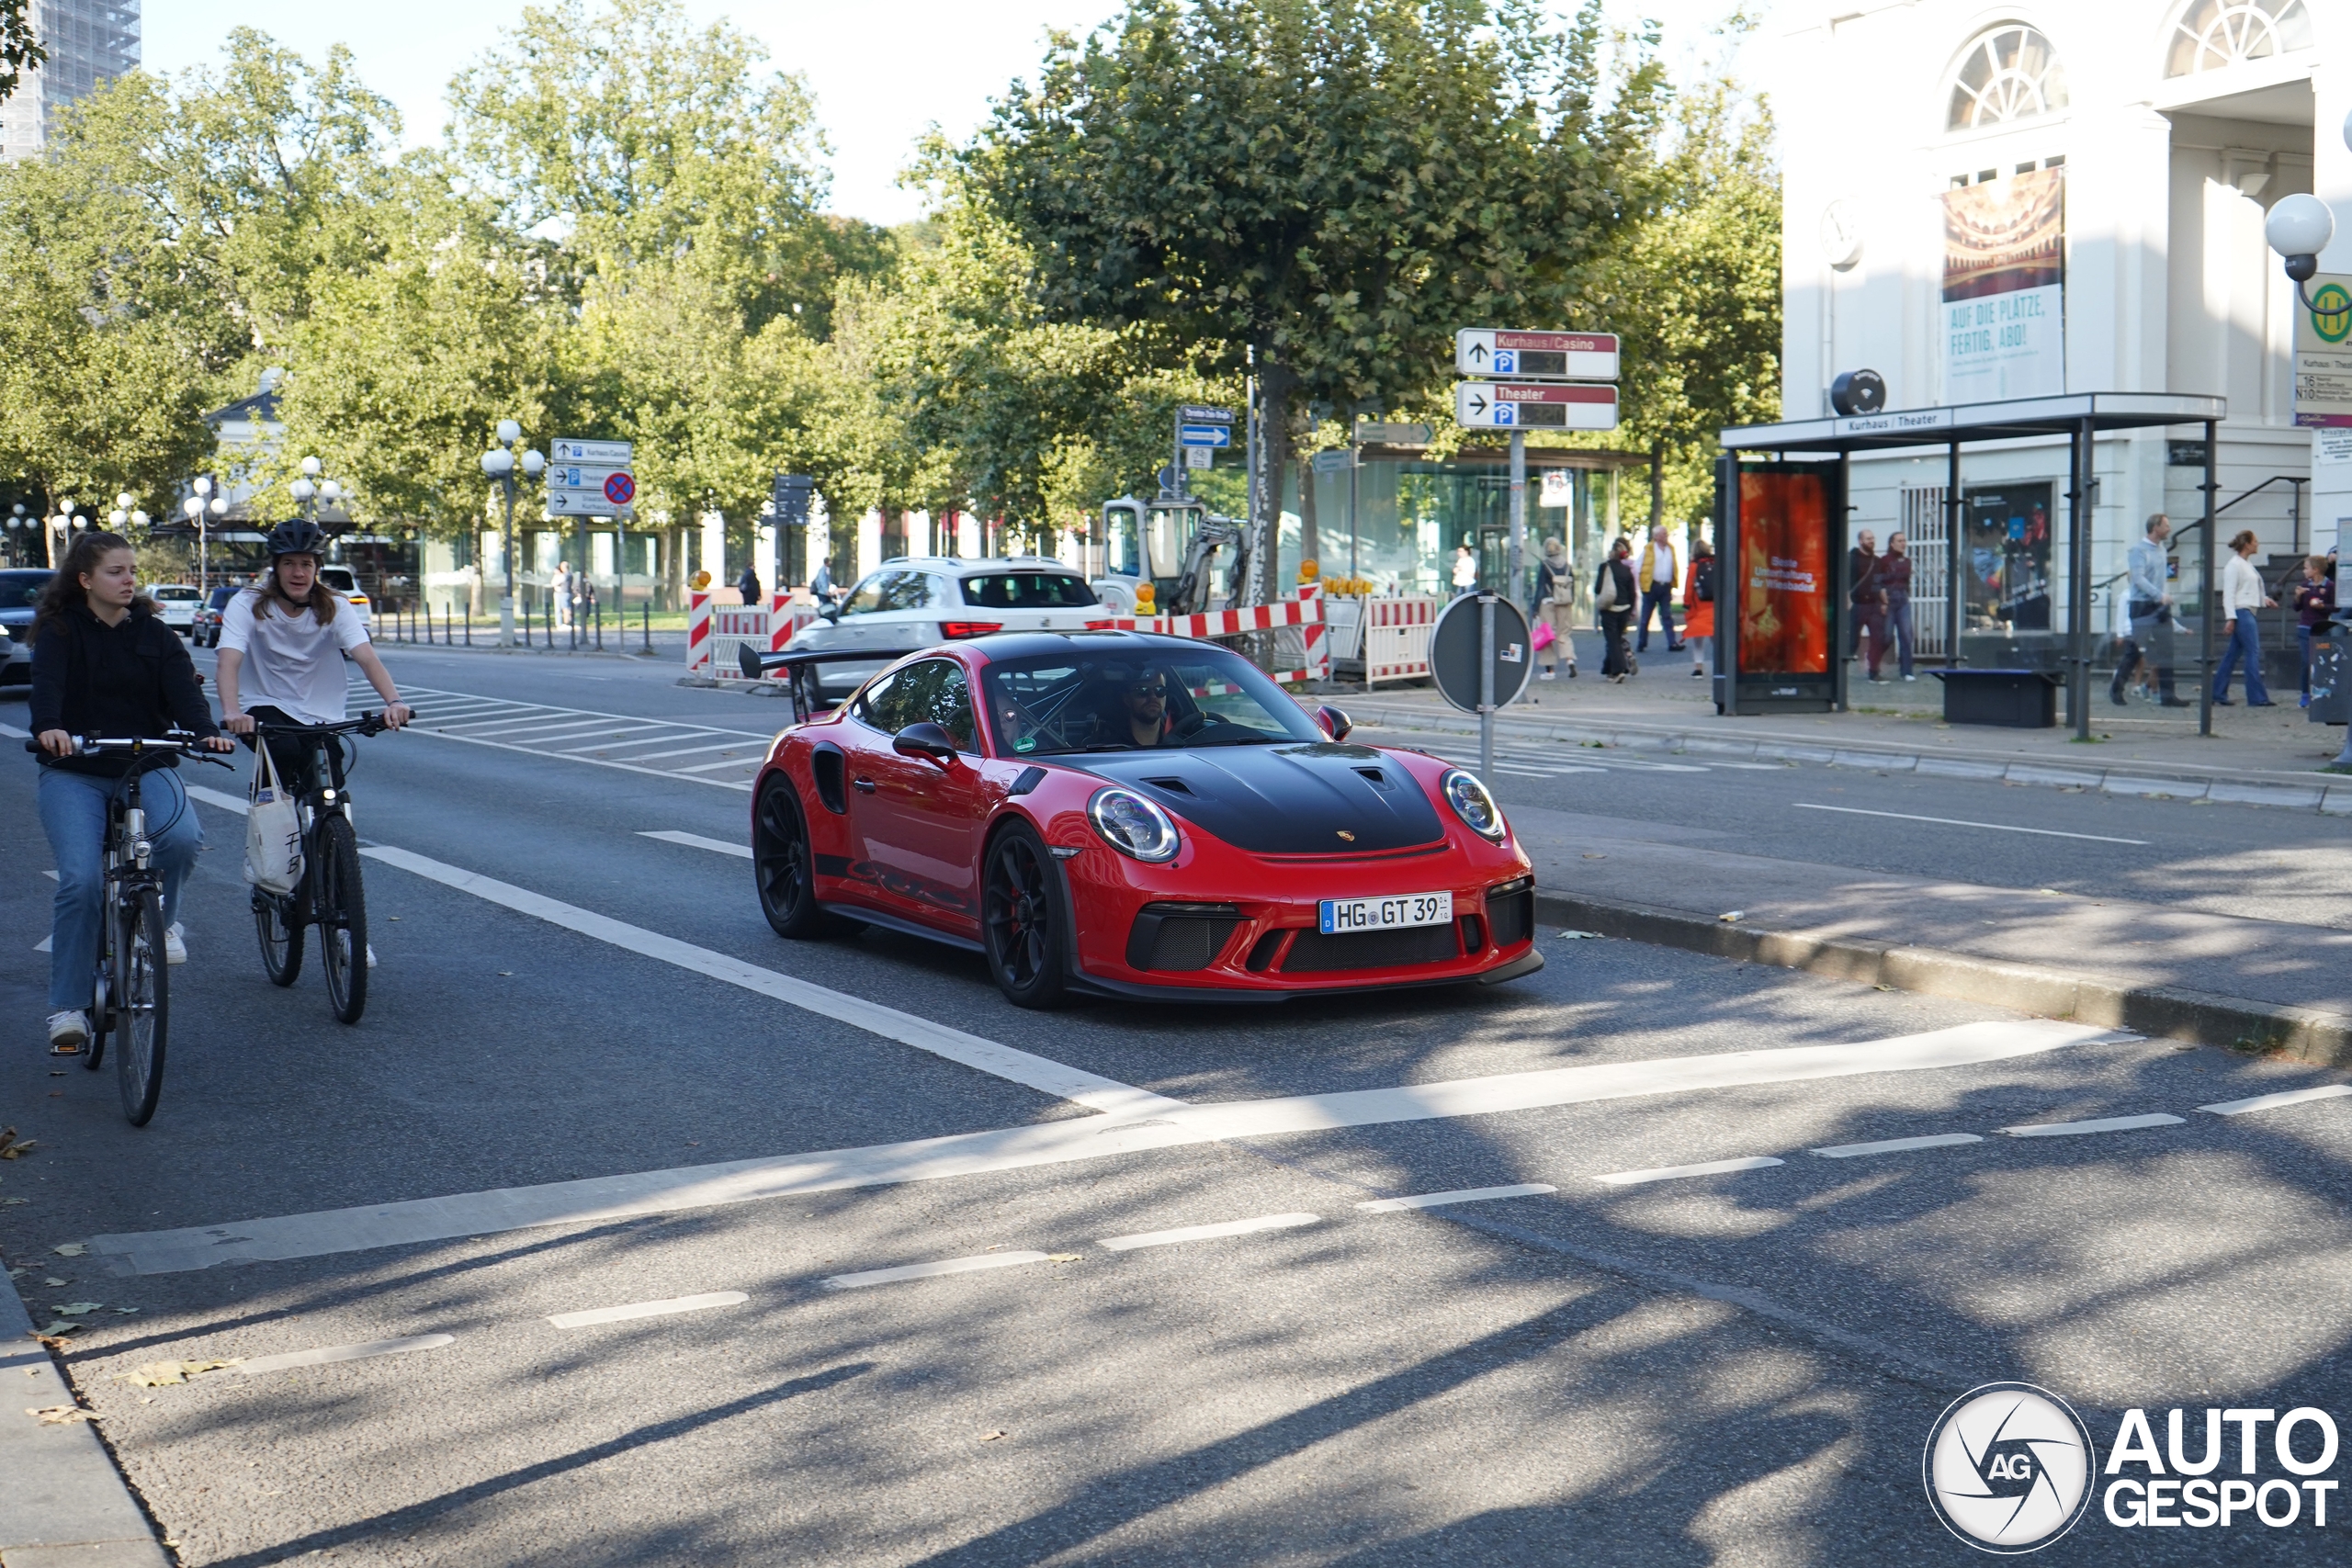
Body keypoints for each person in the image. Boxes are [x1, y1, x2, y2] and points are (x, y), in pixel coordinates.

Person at [30, 531, 236, 1053]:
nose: (128, 580)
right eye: (115, 572)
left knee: (184, 840)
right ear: (85, 579)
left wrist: (203, 728)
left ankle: (155, 926)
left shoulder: (156, 634)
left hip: (148, 765)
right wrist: (50, 727)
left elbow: (185, 694)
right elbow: (46, 686)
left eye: (132, 571)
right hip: (75, 770)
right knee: (79, 881)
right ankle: (68, 1006)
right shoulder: (60, 631)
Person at [216, 521, 413, 799]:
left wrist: (394, 701)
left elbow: (367, 658)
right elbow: (228, 661)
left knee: (328, 776)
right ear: (275, 567)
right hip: (264, 704)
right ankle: (268, 811)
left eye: (306, 564)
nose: (298, 573)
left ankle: (325, 834)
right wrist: (232, 712)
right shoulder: (247, 602)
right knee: (284, 751)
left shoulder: (335, 605)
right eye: (289, 563)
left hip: (321, 715)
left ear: (317, 568)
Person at [2113, 513, 2188, 707]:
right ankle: (2116, 688)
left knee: (2167, 650)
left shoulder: (2162, 550)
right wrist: (2159, 595)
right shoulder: (2138, 551)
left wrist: (2162, 597)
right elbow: (2138, 578)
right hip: (2142, 606)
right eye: (2166, 525)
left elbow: (2158, 578)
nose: (2169, 529)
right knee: (2135, 651)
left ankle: (2167, 695)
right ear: (2155, 527)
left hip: (2159, 605)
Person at [2211, 528, 2276, 706]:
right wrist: (2230, 617)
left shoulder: (2244, 564)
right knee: (2252, 652)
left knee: (2233, 655)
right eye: (2254, 541)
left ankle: (2217, 692)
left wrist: (2265, 600)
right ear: (2247, 544)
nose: (2257, 544)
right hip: (2242, 612)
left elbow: (2246, 591)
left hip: (2245, 610)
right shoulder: (2235, 565)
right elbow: (2229, 594)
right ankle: (2256, 697)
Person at [2295, 554, 2335, 708]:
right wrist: (2298, 596)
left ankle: (2321, 691)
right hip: (2305, 627)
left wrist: (2323, 607)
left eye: (2306, 568)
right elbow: (2297, 607)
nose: (2304, 572)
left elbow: (2335, 606)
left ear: (2316, 570)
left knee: (2322, 661)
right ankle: (2305, 694)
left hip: (2322, 627)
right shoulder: (2306, 585)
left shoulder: (2329, 586)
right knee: (2307, 661)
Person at [1534, 537, 1577, 680]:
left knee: (1547, 635)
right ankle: (1570, 660)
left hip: (1548, 602)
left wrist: (1536, 607)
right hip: (1564, 602)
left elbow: (1540, 587)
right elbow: (1573, 587)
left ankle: (1550, 671)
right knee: (1564, 633)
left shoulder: (1545, 565)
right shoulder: (1567, 566)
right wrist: (1572, 601)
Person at [1595, 537, 1637, 682]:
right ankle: (1609, 670)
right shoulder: (1626, 570)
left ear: (1611, 552)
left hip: (1610, 608)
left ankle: (1619, 670)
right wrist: (1631, 609)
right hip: (1624, 608)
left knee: (1612, 640)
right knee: (1616, 639)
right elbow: (1632, 592)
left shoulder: (1604, 567)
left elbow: (1598, 588)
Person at [1876, 531, 1917, 682]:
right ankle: (1874, 665)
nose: (1903, 543)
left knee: (1906, 635)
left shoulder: (1907, 561)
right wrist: (1883, 601)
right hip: (1888, 599)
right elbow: (1878, 582)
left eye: (1904, 541)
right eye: (1899, 541)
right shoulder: (1883, 561)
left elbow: (1907, 582)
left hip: (1903, 599)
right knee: (1886, 636)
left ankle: (1907, 671)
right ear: (1891, 544)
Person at [1634, 525, 1680, 653]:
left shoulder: (1671, 549)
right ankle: (1641, 643)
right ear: (1656, 536)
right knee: (1645, 617)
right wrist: (1640, 585)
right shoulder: (1648, 549)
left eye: (1666, 534)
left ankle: (1672, 643)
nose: (1666, 536)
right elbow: (1638, 566)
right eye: (1664, 534)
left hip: (1666, 586)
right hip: (1651, 586)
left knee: (1667, 615)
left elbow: (1674, 566)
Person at [1848, 529, 1886, 671]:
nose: (1871, 541)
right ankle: (1842, 672)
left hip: (1874, 605)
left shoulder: (1877, 561)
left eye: (1873, 538)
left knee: (1878, 638)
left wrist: (1884, 602)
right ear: (1860, 541)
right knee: (1852, 640)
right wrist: (1847, 600)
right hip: (1857, 605)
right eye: (1868, 538)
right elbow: (1845, 581)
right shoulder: (1851, 558)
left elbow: (1879, 584)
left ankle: (1874, 672)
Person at [1683, 536, 1716, 681]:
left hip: (1699, 606)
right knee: (1716, 637)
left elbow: (1689, 586)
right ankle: (1721, 666)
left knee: (1698, 639)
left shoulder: (1694, 566)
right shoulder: (1715, 563)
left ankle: (1698, 668)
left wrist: (1686, 603)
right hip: (1715, 605)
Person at [1116, 666, 1170, 747]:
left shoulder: (1180, 745)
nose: (1153, 697)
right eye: (1142, 691)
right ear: (1127, 699)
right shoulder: (1111, 749)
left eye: (1160, 690)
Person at [551, 560, 573, 630]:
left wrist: (556, 575)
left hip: (564, 593)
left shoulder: (565, 575)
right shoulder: (570, 574)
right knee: (567, 607)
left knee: (565, 608)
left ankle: (566, 623)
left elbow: (555, 583)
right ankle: (569, 622)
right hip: (567, 592)